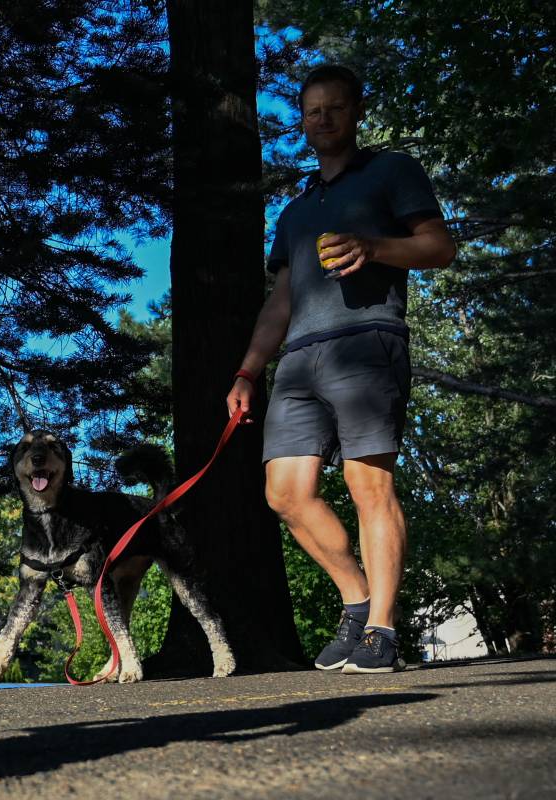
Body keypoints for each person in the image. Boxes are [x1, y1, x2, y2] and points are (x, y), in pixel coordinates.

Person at [226, 65, 456, 675]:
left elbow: (439, 245)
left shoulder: (392, 171)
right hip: (298, 361)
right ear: (300, 121)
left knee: (367, 487)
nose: (322, 119)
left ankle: (382, 630)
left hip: (367, 342)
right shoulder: (296, 211)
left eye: (334, 108)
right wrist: (248, 372)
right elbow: (280, 301)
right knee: (284, 494)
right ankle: (357, 602)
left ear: (356, 112)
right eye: (311, 111)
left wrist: (373, 247)